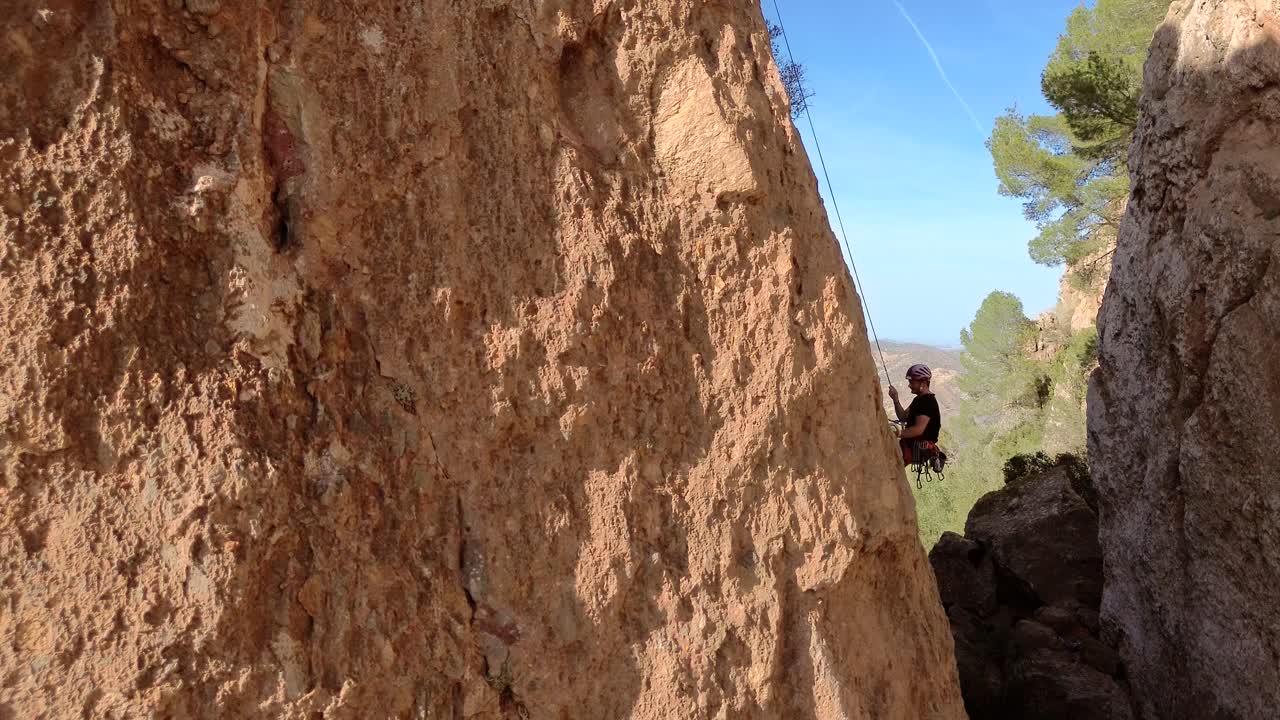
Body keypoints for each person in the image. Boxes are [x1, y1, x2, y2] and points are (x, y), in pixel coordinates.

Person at [888, 363, 941, 466]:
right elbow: (903, 416)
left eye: (912, 382)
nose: (909, 385)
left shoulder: (927, 402)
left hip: (917, 447)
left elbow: (917, 430)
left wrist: (895, 434)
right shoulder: (919, 400)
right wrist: (895, 399)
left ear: (923, 383)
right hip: (911, 446)